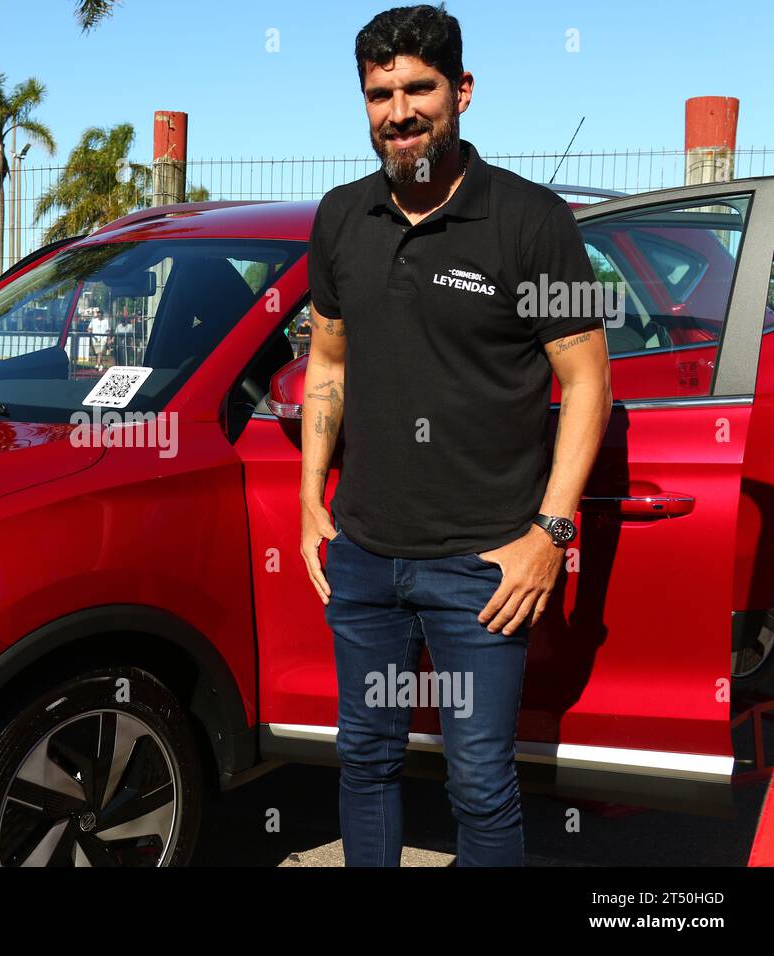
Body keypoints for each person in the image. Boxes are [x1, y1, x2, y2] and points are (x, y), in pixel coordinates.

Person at [299, 3, 612, 867]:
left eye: (418, 88)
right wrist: (308, 500)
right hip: (363, 554)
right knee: (364, 761)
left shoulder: (533, 220)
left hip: (484, 565)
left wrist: (551, 532)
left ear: (461, 92)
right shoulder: (339, 218)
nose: (398, 110)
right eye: (379, 94)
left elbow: (588, 378)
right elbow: (328, 361)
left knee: (479, 784)